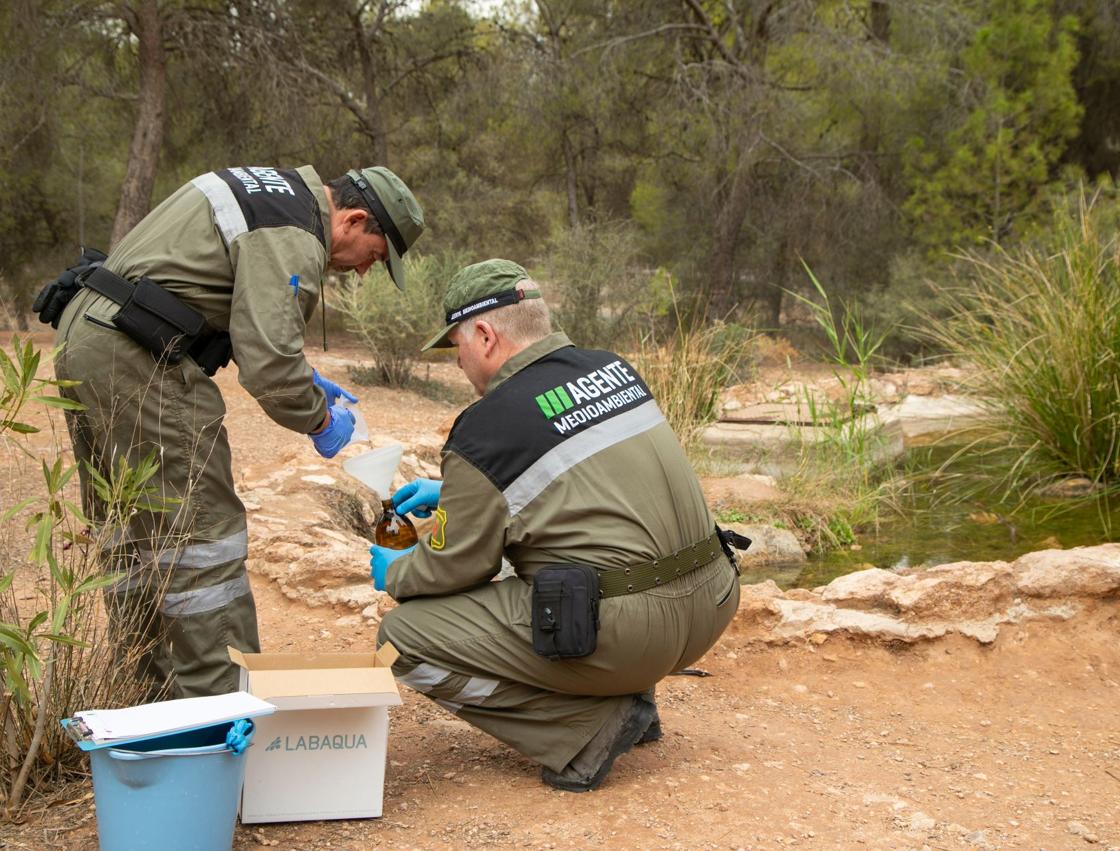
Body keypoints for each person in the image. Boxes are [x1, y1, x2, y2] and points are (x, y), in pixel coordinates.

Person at [46, 164, 424, 698]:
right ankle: (219, 708)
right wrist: (317, 417)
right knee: (203, 538)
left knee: (132, 529)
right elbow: (270, 366)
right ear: (355, 219)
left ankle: (145, 695)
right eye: (375, 256)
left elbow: (211, 298)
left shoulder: (270, 191)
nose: (363, 272)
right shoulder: (293, 229)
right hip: (137, 357)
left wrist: (300, 376)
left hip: (89, 338)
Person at [369, 259, 743, 792]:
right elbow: (592, 490)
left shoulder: (486, 428)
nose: (458, 364)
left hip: (632, 635)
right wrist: (454, 491)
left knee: (403, 638)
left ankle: (586, 727)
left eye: (457, 347)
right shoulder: (611, 369)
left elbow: (456, 568)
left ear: (484, 333)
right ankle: (630, 698)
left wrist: (398, 572)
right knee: (590, 569)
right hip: (712, 603)